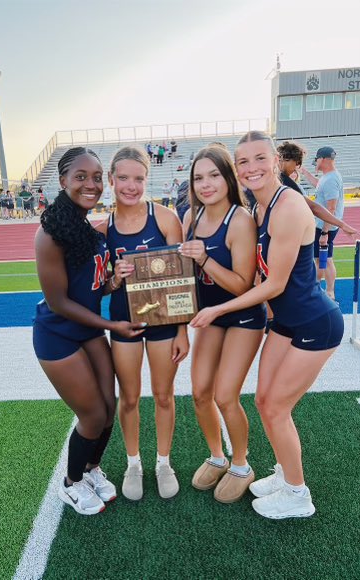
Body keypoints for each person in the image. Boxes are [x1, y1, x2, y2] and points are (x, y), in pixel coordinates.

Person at [190, 131, 344, 519]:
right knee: (262, 401)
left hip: (315, 323)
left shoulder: (287, 207)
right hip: (287, 323)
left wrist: (216, 311)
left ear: (275, 160)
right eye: (243, 161)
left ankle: (297, 494)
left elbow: (273, 284)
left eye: (260, 158)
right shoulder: (260, 207)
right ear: (237, 170)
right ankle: (284, 472)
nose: (252, 167)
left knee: (276, 408)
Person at [33, 147, 146, 516]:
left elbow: (92, 289)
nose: (91, 184)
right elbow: (60, 302)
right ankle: (71, 483)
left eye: (97, 177)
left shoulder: (86, 228)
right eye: (81, 177)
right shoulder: (49, 235)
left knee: (109, 408)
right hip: (59, 334)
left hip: (87, 330)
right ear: (63, 181)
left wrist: (114, 281)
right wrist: (111, 324)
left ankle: (91, 469)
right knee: (93, 415)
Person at [97, 145, 189, 501]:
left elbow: (183, 280)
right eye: (123, 178)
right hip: (125, 323)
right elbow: (102, 286)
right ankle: (133, 463)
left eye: (138, 178)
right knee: (131, 397)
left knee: (164, 395)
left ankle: (163, 462)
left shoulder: (165, 219)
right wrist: (115, 279)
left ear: (147, 179)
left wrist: (183, 330)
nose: (131, 186)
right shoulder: (103, 228)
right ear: (111, 180)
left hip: (165, 322)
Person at [179, 145, 266, 503]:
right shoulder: (190, 218)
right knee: (200, 392)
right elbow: (183, 274)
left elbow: (242, 284)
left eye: (214, 175)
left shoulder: (240, 220)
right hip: (209, 316)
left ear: (228, 177)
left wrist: (205, 259)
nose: (206, 183)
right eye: (199, 177)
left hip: (242, 316)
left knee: (225, 395)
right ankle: (217, 456)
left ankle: (242, 464)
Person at [277, 141, 356, 238]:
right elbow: (314, 207)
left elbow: (315, 206)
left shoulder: (278, 178)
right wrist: (342, 225)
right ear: (285, 160)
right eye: (296, 164)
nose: (296, 169)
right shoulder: (281, 180)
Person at [300, 146, 345, 300]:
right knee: (320, 259)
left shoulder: (332, 179)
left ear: (324, 159)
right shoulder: (329, 176)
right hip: (323, 224)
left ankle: (329, 291)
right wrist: (305, 172)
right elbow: (320, 185)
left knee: (326, 258)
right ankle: (320, 287)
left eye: (317, 160)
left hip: (325, 226)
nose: (316, 163)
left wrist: (325, 232)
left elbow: (331, 208)